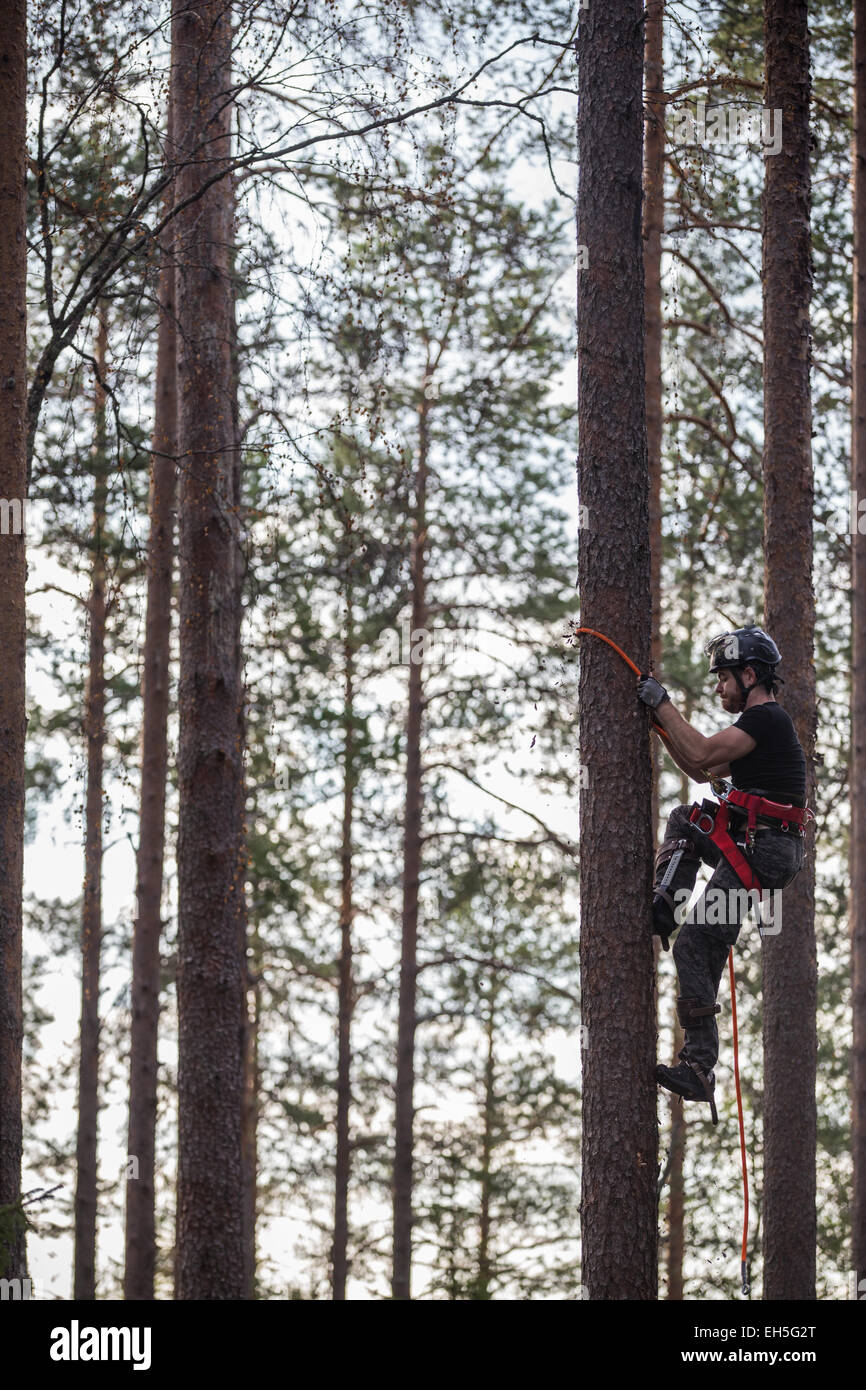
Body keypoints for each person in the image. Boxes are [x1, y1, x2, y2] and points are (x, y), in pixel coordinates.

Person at [636, 625, 811, 1121]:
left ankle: (698, 1065)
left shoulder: (767, 719)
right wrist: (660, 721)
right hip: (762, 849)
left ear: (750, 674)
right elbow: (698, 769)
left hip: (765, 853)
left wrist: (663, 703)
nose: (718, 688)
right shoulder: (761, 727)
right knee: (685, 820)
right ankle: (663, 907)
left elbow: (703, 754)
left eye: (723, 679)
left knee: (696, 944)